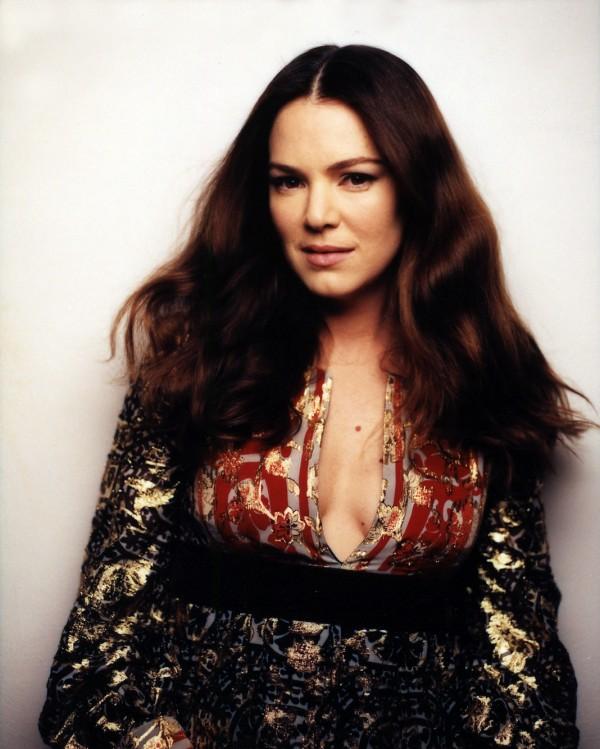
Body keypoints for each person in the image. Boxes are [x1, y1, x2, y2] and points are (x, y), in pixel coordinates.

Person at [39, 44, 592, 748]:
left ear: (416, 186)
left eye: (355, 177)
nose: (317, 214)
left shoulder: (484, 376)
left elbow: (526, 684)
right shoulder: (199, 361)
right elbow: (95, 659)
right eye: (288, 181)